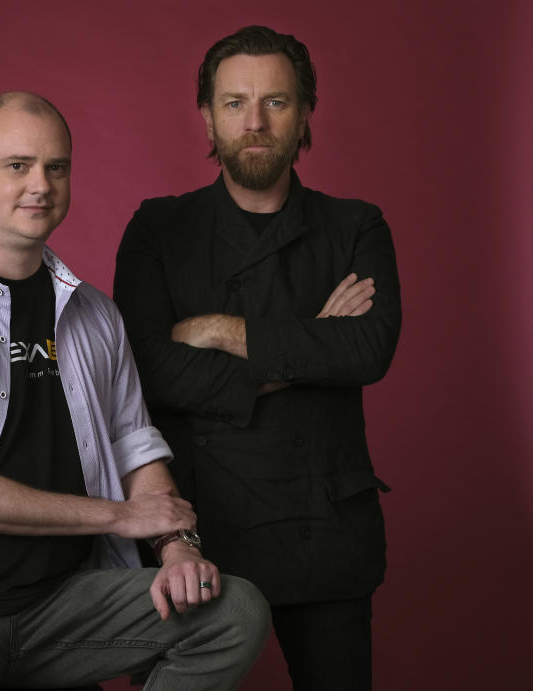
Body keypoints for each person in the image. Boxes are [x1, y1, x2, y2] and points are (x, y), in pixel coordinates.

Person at [0, 91, 270, 690]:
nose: (40, 184)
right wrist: (120, 516)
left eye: (56, 167)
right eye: (17, 165)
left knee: (233, 612)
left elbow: (136, 449)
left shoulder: (96, 316)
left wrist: (176, 548)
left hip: (64, 608)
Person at [113, 26, 402, 691]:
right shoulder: (159, 227)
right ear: (207, 117)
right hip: (195, 529)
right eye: (235, 102)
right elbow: (149, 370)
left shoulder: (357, 225)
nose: (255, 121)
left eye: (276, 102)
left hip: (323, 528)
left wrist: (216, 327)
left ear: (304, 116)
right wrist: (309, 341)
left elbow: (367, 347)